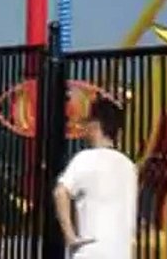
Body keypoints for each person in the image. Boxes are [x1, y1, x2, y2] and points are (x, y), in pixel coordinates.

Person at [53, 97, 138, 257]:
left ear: (95, 125)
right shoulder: (129, 166)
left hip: (89, 251)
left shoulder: (84, 159)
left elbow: (60, 192)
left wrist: (70, 236)